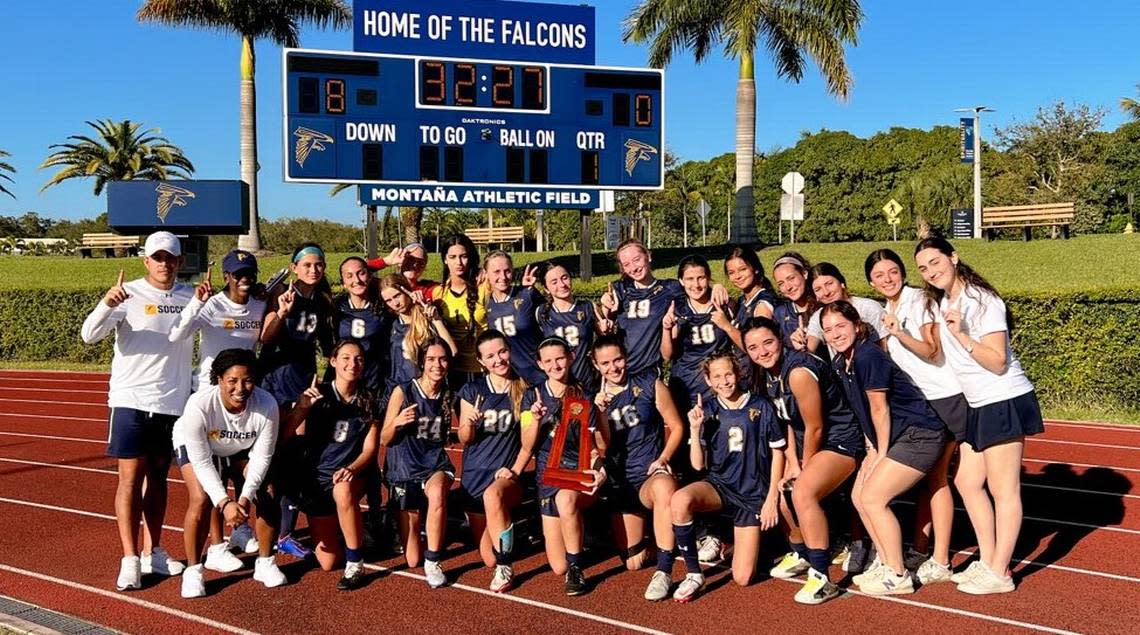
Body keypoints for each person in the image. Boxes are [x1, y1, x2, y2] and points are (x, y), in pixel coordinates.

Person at [914, 237, 1044, 595]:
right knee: (967, 482)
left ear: (953, 258)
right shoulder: (944, 301)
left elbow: (998, 360)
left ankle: (1001, 572)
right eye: (923, 268)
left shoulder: (982, 300)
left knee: (1004, 490)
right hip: (977, 404)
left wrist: (961, 334)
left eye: (935, 262)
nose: (931, 271)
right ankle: (988, 559)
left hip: (1001, 397)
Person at [80, 231, 193, 591]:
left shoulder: (191, 296)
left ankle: (153, 551)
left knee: (159, 480)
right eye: (157, 258)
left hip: (172, 403)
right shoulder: (126, 294)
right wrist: (106, 303)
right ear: (146, 261)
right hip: (131, 400)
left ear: (179, 261)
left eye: (170, 257)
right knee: (129, 479)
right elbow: (88, 335)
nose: (164, 263)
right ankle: (129, 558)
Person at [820, 302, 948, 596]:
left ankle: (898, 574)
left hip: (920, 435)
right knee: (858, 496)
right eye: (828, 330)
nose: (835, 334)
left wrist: (881, 453)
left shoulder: (868, 356)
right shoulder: (842, 362)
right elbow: (862, 411)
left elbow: (879, 410)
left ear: (856, 325)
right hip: (895, 437)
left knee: (874, 497)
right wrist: (871, 447)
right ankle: (885, 560)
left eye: (841, 326)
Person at [743, 317, 863, 605]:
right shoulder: (767, 374)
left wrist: (804, 468)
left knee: (803, 491)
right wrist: (792, 464)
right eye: (753, 347)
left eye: (768, 343)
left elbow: (815, 427)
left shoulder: (797, 371)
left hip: (840, 441)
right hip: (810, 441)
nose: (762, 352)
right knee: (783, 492)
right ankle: (802, 552)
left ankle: (822, 578)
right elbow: (787, 421)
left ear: (780, 339)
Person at [865, 249, 966, 585]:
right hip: (920, 403)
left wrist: (899, 334)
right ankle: (923, 549)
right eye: (879, 275)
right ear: (870, 281)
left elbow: (932, 351)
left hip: (944, 397)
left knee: (938, 479)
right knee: (929, 480)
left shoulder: (919, 299)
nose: (887, 279)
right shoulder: (885, 311)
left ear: (903, 273)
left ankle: (940, 559)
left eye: (892, 272)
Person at [168, 249, 266, 568]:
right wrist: (197, 302)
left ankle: (239, 528)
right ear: (226, 276)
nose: (244, 280)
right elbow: (178, 334)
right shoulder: (211, 303)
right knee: (213, 473)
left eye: (249, 273)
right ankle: (216, 546)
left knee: (241, 464)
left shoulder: (260, 302)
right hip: (209, 397)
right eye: (238, 274)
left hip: (242, 394)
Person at [670, 351, 785, 602]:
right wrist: (695, 428)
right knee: (679, 500)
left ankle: (755, 544)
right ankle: (694, 574)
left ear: (739, 373)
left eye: (728, 374)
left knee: (743, 578)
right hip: (720, 486)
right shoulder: (706, 410)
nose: (724, 381)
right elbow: (698, 465)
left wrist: (771, 499)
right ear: (708, 380)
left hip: (752, 492)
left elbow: (778, 453)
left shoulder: (760, 405)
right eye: (717, 376)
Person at [173, 349, 285, 598]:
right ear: (219, 380)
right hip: (203, 447)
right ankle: (193, 570)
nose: (240, 388)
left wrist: (243, 499)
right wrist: (225, 503)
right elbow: (201, 461)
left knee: (267, 491)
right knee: (201, 498)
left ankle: (265, 563)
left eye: (247, 380)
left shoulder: (266, 405)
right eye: (232, 381)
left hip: (240, 449)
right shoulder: (199, 405)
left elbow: (262, 457)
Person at [279, 339, 381, 591]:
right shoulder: (317, 394)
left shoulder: (369, 399)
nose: (352, 364)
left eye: (358, 359)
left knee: (343, 489)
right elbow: (287, 435)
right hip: (317, 479)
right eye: (345, 358)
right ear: (333, 361)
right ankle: (349, 528)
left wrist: (352, 468)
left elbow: (370, 449)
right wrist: (302, 409)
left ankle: (356, 563)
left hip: (352, 475)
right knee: (328, 562)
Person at [592, 334, 684, 602]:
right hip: (621, 482)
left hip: (649, 475)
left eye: (618, 359)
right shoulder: (594, 399)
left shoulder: (649, 384)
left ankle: (664, 571)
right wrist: (599, 414)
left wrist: (664, 458)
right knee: (633, 562)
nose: (613, 368)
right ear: (596, 365)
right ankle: (659, 535)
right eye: (605, 363)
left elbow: (677, 426)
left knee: (664, 487)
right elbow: (602, 445)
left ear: (627, 358)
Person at [259, 242, 335, 558]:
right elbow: (266, 337)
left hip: (303, 384)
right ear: (294, 268)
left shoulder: (322, 301)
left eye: (318, 265)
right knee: (273, 460)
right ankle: (262, 528)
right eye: (307, 265)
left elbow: (328, 346)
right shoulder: (280, 295)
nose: (313, 270)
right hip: (274, 384)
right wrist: (281, 313)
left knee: (298, 459)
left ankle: (285, 533)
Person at [521, 336, 609, 596]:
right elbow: (527, 445)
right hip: (546, 475)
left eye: (560, 358)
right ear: (540, 364)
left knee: (566, 500)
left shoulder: (583, 395)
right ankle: (580, 540)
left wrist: (599, 468)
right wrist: (535, 420)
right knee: (556, 565)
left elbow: (595, 447)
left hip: (574, 472)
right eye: (548, 361)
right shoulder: (532, 396)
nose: (555, 365)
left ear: (571, 357)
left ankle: (577, 569)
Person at [457, 330, 537, 593]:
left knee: (495, 500)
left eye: (502, 352)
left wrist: (514, 471)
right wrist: (470, 423)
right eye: (490, 356)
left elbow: (527, 443)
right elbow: (464, 438)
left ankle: (507, 567)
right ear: (481, 361)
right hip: (473, 475)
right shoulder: (473, 389)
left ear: (509, 351)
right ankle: (518, 533)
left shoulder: (524, 388)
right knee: (487, 556)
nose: (498, 359)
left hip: (504, 476)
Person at [381, 337, 456, 589]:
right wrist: (398, 421)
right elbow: (385, 439)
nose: (437, 364)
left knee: (437, 494)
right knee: (411, 558)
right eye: (431, 359)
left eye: (443, 359)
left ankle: (434, 561)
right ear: (421, 362)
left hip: (434, 464)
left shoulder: (449, 392)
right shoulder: (404, 390)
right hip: (404, 467)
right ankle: (397, 522)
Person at [661, 254, 741, 417]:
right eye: (689, 279)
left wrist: (726, 324)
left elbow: (744, 344)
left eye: (701, 278)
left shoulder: (725, 306)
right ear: (681, 281)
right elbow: (667, 355)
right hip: (685, 385)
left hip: (718, 385)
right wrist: (666, 329)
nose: (696, 285)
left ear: (709, 277)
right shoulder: (677, 309)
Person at [598, 239, 686, 376]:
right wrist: (605, 306)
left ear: (648, 256)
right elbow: (602, 323)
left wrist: (717, 288)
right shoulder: (620, 289)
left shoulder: (669, 288)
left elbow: (700, 294)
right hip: (619, 372)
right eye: (626, 264)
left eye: (637, 260)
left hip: (648, 372)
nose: (633, 268)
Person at [380, 273, 458, 393]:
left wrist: (436, 320)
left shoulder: (428, 318)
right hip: (400, 390)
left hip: (428, 390)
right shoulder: (390, 325)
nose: (395, 303)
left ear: (407, 291)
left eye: (397, 296)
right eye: (388, 300)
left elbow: (452, 351)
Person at [536, 263, 608, 393]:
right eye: (554, 282)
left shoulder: (588, 307)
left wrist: (607, 330)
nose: (562, 284)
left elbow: (605, 343)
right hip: (557, 385)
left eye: (565, 278)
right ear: (546, 288)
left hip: (586, 382)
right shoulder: (541, 313)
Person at [483, 251, 546, 384]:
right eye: (496, 272)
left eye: (507, 271)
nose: (503, 277)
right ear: (486, 273)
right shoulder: (485, 304)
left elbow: (555, 317)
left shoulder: (527, 295)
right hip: (510, 380)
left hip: (539, 373)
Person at [432, 235, 487, 389]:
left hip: (484, 367)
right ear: (445, 259)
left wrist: (484, 270)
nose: (459, 262)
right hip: (454, 368)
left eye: (463, 256)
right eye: (453, 257)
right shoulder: (438, 293)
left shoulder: (484, 286)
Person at [724, 247, 781, 387]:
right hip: (743, 376)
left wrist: (726, 326)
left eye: (742, 269)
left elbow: (758, 346)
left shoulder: (763, 302)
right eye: (731, 272)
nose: (737, 276)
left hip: (758, 380)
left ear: (755, 268)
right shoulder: (743, 300)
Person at [333, 257, 391, 394]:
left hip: (374, 382)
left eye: (361, 273)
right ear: (343, 282)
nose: (356, 280)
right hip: (343, 381)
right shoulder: (335, 307)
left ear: (370, 276)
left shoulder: (384, 306)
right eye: (349, 276)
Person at [805, 262, 888, 355]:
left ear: (842, 283)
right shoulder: (818, 317)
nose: (826, 292)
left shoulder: (869, 308)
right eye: (818, 289)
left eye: (829, 284)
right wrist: (801, 343)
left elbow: (883, 349)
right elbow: (808, 350)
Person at [770, 252, 818, 350]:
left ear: (804, 273)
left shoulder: (823, 306)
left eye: (791, 278)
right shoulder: (780, 313)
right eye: (781, 283)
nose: (788, 287)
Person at [366, 242, 439, 302]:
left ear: (424, 268)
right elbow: (357, 269)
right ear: (400, 260)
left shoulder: (428, 289)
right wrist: (387, 261)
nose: (415, 264)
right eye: (410, 259)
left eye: (421, 262)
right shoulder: (385, 286)